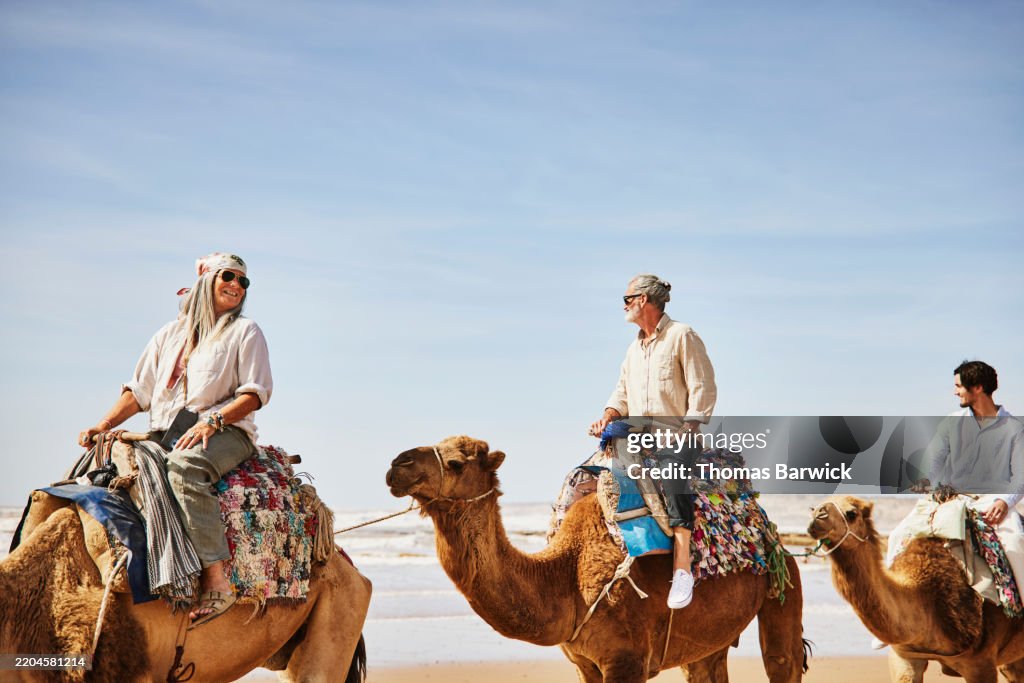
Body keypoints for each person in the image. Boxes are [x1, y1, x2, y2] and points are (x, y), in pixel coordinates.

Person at [77, 252, 273, 627]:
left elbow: (254, 393)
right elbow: (139, 392)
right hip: (166, 431)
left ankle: (217, 579)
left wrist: (213, 421)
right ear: (206, 281)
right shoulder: (168, 335)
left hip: (225, 431)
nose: (236, 285)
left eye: (243, 281)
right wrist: (102, 424)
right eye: (228, 276)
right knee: (99, 469)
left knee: (183, 468)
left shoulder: (245, 332)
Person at [589, 274, 717, 609]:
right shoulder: (633, 349)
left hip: (677, 434)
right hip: (638, 435)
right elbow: (621, 392)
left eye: (627, 298)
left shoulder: (681, 335)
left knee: (674, 482)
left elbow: (703, 385)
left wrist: (690, 426)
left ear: (644, 299)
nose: (624, 305)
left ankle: (683, 567)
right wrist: (608, 416)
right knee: (593, 477)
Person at [876, 360, 1024, 648]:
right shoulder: (951, 422)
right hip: (950, 500)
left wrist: (1005, 502)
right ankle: (888, 623)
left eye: (958, 386)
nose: (955, 392)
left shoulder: (1014, 428)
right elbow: (935, 462)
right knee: (897, 537)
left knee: (1016, 544)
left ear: (977, 387)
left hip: (992, 503)